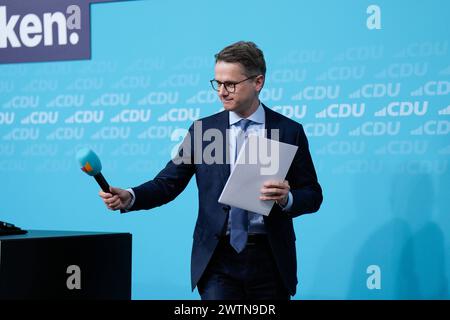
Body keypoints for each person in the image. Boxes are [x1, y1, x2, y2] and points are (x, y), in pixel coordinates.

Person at [99, 41, 323, 300]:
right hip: (218, 260)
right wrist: (131, 196)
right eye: (217, 83)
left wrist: (287, 198)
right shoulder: (202, 131)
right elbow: (167, 183)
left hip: (270, 261)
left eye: (231, 84)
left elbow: (313, 194)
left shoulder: (287, 131)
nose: (222, 91)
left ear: (258, 82)